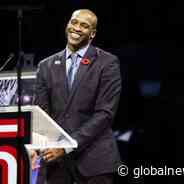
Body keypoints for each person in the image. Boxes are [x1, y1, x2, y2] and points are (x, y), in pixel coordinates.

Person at [33, 9, 122, 184]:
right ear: (67, 25)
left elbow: (105, 114)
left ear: (92, 34)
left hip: (95, 161)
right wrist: (37, 147)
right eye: (74, 22)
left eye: (84, 25)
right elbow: (42, 114)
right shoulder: (46, 66)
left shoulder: (107, 63)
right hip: (56, 162)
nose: (77, 28)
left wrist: (68, 146)